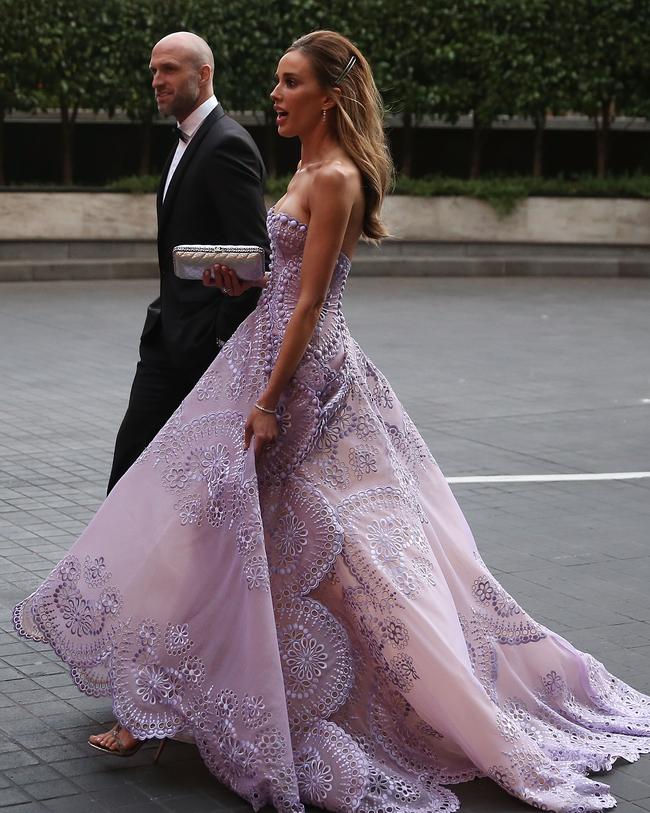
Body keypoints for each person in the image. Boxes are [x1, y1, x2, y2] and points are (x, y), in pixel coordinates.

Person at [13, 29, 650, 813]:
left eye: (288, 83)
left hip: (301, 376)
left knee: (289, 538)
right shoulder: (306, 167)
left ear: (330, 95)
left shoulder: (339, 175)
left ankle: (244, 701)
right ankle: (185, 698)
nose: (274, 96)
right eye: (277, 82)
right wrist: (240, 280)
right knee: (235, 528)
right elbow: (284, 280)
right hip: (264, 351)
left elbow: (312, 302)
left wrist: (269, 400)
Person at [106, 31, 268, 493]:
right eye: (154, 70)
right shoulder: (187, 140)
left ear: (204, 74)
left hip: (199, 349)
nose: (157, 80)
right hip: (166, 340)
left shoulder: (226, 144)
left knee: (158, 483)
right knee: (132, 475)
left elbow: (254, 257)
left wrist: (217, 337)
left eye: (169, 69)